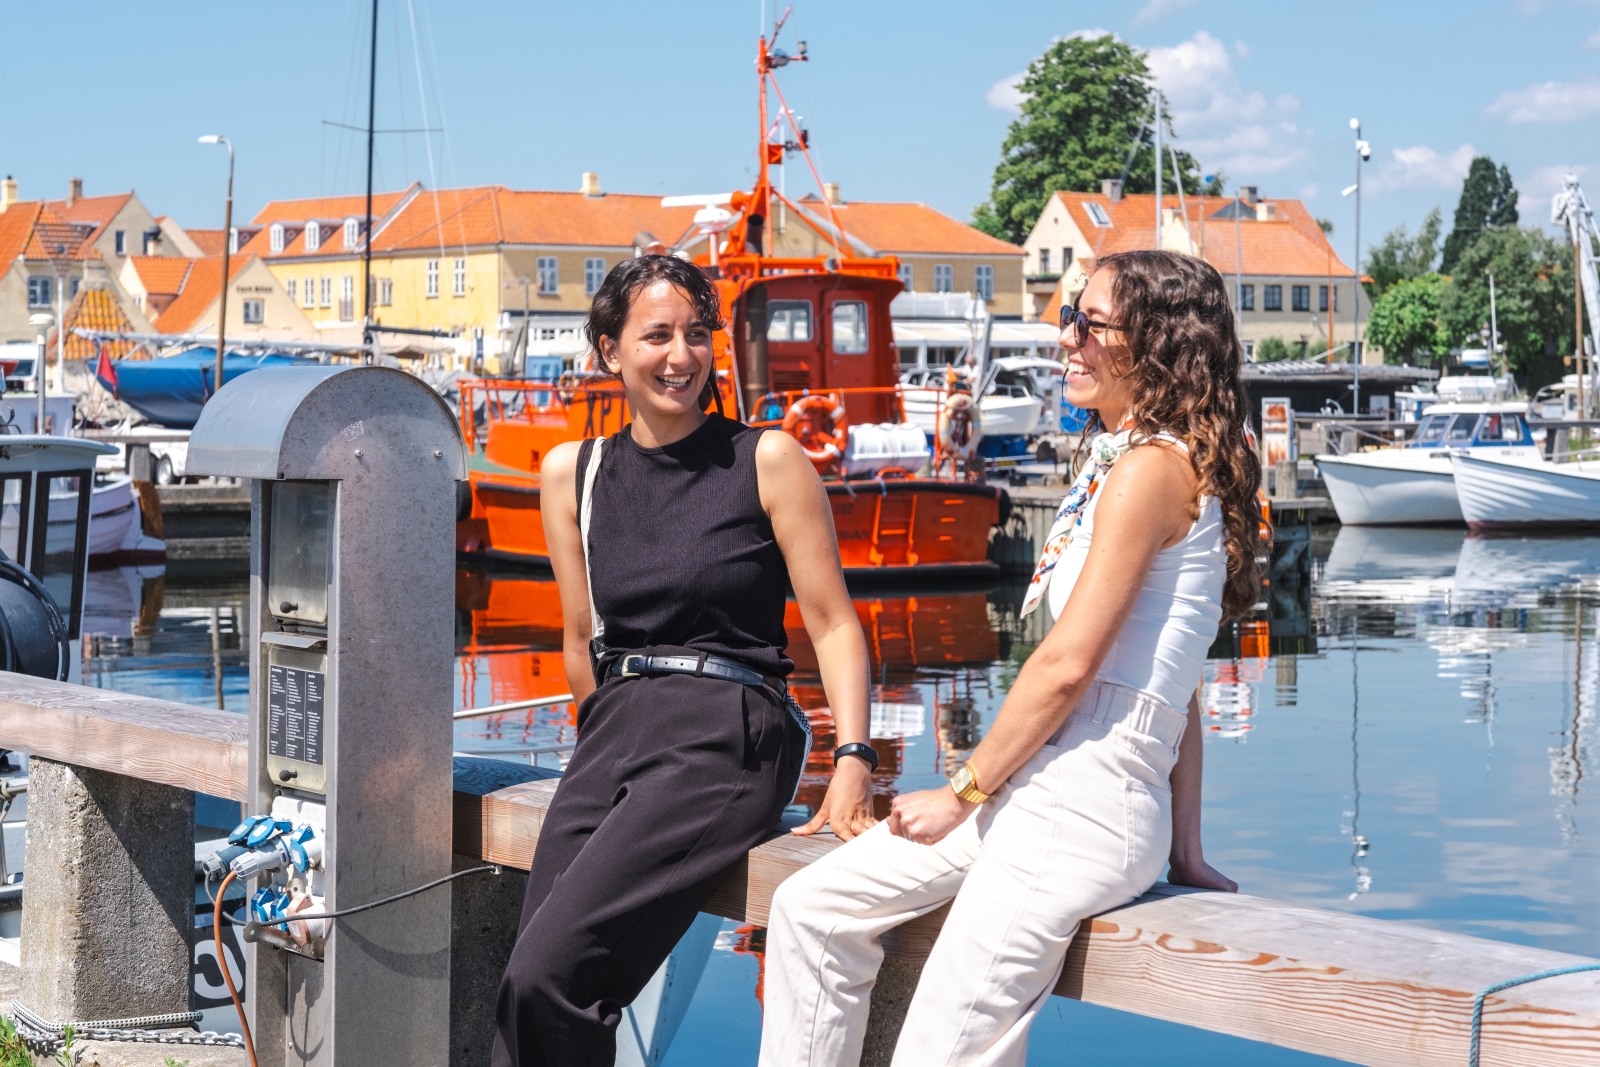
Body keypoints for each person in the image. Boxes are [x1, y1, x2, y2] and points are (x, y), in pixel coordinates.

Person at [758, 249, 1257, 1067]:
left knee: (943, 1052)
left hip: (1081, 804)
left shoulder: (1153, 472)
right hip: (1039, 787)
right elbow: (1181, 683)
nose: (1068, 339)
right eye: (1070, 319)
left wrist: (962, 788)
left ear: (1157, 342)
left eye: (1088, 323)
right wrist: (1185, 845)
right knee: (811, 910)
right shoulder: (1125, 465)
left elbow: (1067, 665)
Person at [492, 255, 876, 1067]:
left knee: (550, 977)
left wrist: (853, 758)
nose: (681, 355)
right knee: (527, 982)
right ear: (608, 352)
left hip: (728, 727)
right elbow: (576, 638)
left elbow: (834, 624)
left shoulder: (765, 460)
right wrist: (601, 736)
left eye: (697, 335)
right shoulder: (575, 473)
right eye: (656, 335)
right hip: (617, 729)